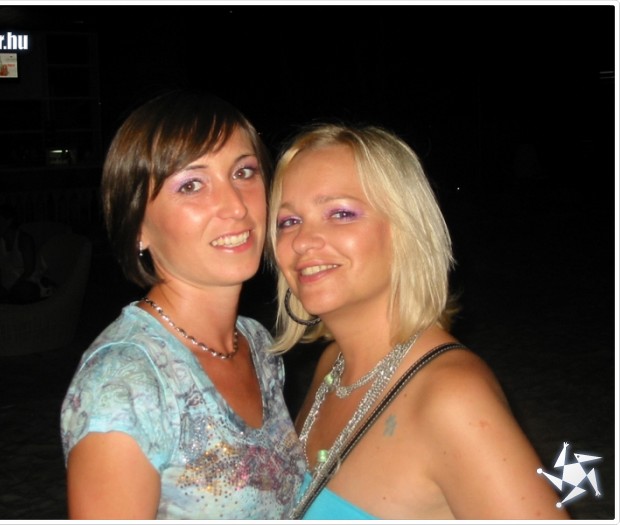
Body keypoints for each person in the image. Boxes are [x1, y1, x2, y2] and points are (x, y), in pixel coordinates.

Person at [267, 123, 569, 520]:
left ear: (405, 230)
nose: (302, 241)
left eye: (340, 213)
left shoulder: (452, 397)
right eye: (288, 221)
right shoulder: (333, 366)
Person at [60, 90, 306, 520]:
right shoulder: (125, 385)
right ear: (137, 226)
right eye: (192, 185)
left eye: (244, 172)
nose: (235, 205)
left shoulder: (256, 344)